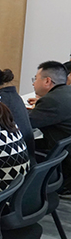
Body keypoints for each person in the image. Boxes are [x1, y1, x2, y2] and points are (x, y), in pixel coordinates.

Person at [28, 60, 71, 194]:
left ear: (47, 81)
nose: (34, 83)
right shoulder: (66, 92)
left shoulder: (51, 101)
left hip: (64, 162)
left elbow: (26, 123)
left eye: (35, 79)